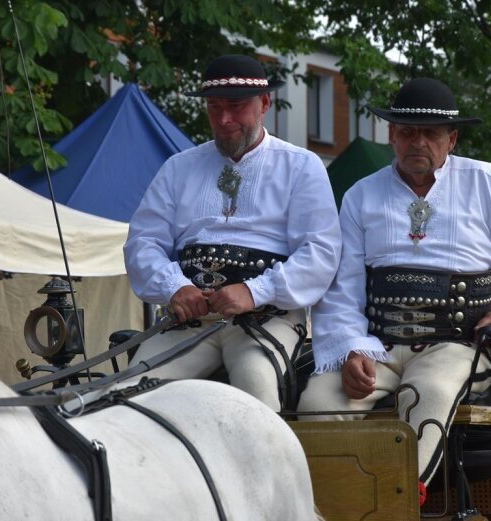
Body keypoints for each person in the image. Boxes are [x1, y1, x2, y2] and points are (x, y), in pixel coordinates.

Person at [296, 77, 491, 504]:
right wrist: (353, 348)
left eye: (430, 133)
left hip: (459, 345)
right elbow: (343, 287)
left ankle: (400, 505)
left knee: (425, 393)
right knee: (317, 403)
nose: (418, 142)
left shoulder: (487, 183)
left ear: (452, 139)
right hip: (380, 347)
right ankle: (330, 508)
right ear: (391, 134)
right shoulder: (361, 195)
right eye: (408, 131)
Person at [123, 54, 341, 411]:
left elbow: (321, 252)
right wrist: (175, 286)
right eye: (214, 107)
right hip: (190, 320)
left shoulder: (301, 166)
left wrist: (255, 292)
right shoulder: (178, 167)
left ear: (265, 103)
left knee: (256, 390)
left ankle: (269, 469)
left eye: (237, 106)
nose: (224, 120)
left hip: (267, 319)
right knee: (130, 392)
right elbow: (142, 243)